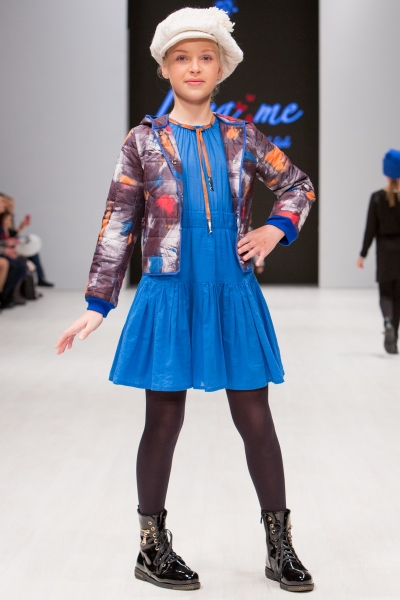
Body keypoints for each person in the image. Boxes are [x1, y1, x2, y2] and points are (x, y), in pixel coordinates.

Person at [56, 7, 315, 593]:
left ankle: (279, 546)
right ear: (165, 69)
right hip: (169, 292)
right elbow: (119, 222)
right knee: (163, 420)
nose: (194, 67)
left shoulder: (242, 136)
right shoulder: (143, 141)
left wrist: (274, 230)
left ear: (221, 68)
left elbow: (297, 185)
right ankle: (152, 547)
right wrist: (97, 304)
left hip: (232, 291)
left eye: (205, 57)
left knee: (256, 418)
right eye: (182, 57)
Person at [357, 149, 400, 354]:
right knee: (398, 296)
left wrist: (362, 254)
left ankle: (388, 322)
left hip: (385, 252)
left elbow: (370, 229)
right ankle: (394, 339)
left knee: (385, 293)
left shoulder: (377, 198)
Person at [3, 195, 54, 287]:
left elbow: (10, 234)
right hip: (6, 247)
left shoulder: (9, 217)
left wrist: (21, 228)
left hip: (8, 245)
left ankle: (37, 281)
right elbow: (7, 236)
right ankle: (38, 280)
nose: (12, 207)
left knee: (33, 251)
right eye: (10, 205)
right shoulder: (5, 217)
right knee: (26, 257)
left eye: (13, 205)